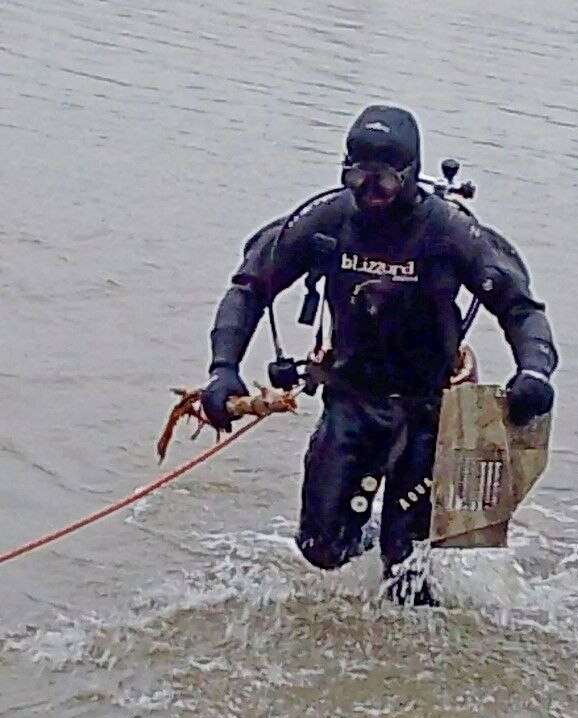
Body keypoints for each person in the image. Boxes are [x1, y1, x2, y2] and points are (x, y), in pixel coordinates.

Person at [201, 105, 558, 604]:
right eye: (357, 176)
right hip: (351, 399)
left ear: (411, 176)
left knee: (404, 571)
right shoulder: (326, 223)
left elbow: (521, 308)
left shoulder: (449, 233)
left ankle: (409, 576)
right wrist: (223, 370)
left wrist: (535, 372)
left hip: (428, 411)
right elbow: (248, 288)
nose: (369, 192)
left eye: (385, 181)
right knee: (320, 548)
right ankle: (367, 535)